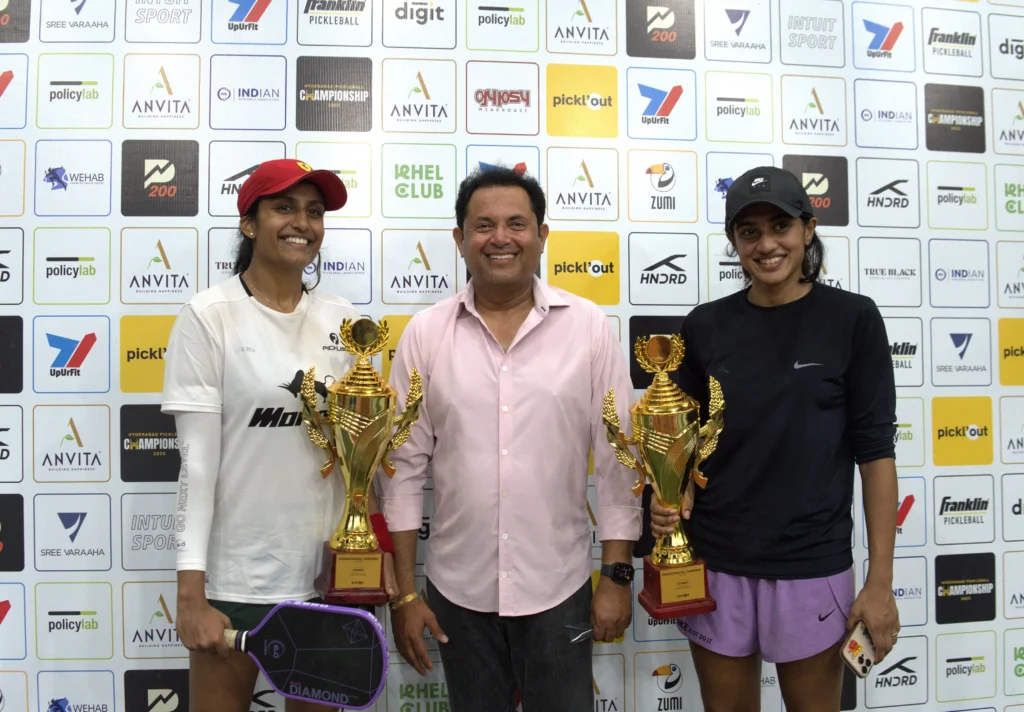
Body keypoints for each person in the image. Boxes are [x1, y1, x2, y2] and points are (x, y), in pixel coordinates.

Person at [378, 167, 642, 711]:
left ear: (542, 235)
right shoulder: (425, 334)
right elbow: (401, 470)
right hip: (458, 591)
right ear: (460, 239)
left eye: (517, 224)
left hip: (559, 586)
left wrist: (616, 575)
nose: (501, 238)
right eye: (484, 225)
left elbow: (619, 461)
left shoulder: (588, 327)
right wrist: (404, 594)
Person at [648, 166, 900, 712]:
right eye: (750, 232)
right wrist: (669, 494)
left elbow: (877, 455)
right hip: (717, 560)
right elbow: (679, 442)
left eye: (780, 226)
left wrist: (880, 582)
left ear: (808, 230)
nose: (766, 245)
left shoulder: (853, 319)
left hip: (811, 563)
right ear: (734, 241)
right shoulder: (706, 325)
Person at [161, 158, 396, 712]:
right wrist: (190, 593)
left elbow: (363, 461)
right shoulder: (209, 316)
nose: (302, 223)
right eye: (284, 207)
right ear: (249, 223)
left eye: (314, 211)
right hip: (235, 578)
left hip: (327, 577)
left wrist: (377, 549)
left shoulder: (347, 323)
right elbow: (196, 467)